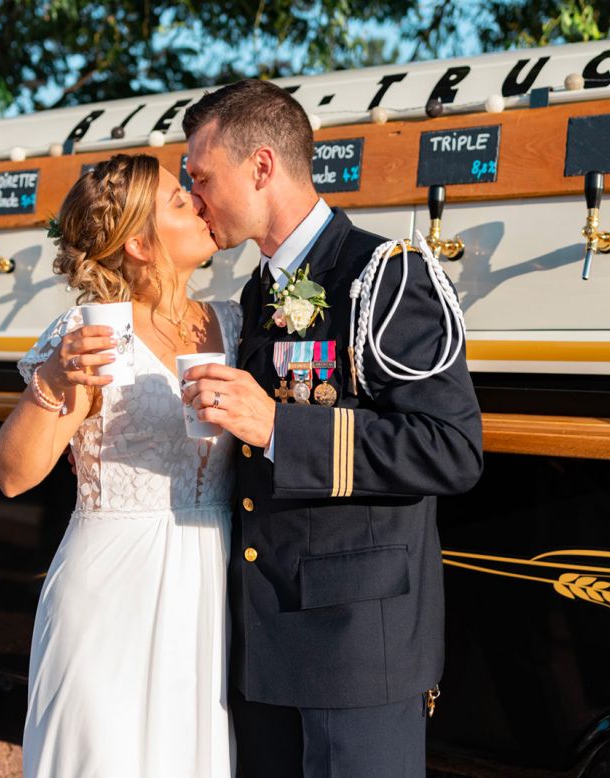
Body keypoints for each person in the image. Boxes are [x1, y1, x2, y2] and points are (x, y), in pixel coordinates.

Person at [182, 80, 484, 778]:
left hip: (355, 657)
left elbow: (452, 450)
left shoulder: (386, 276)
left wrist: (281, 428)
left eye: (201, 177)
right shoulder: (257, 294)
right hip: (264, 645)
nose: (194, 197)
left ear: (261, 167)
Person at [0, 154, 238, 778]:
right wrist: (52, 380)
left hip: (209, 586)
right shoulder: (91, 335)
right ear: (138, 242)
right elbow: (14, 475)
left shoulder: (235, 322)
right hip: (110, 591)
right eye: (180, 202)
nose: (198, 203)